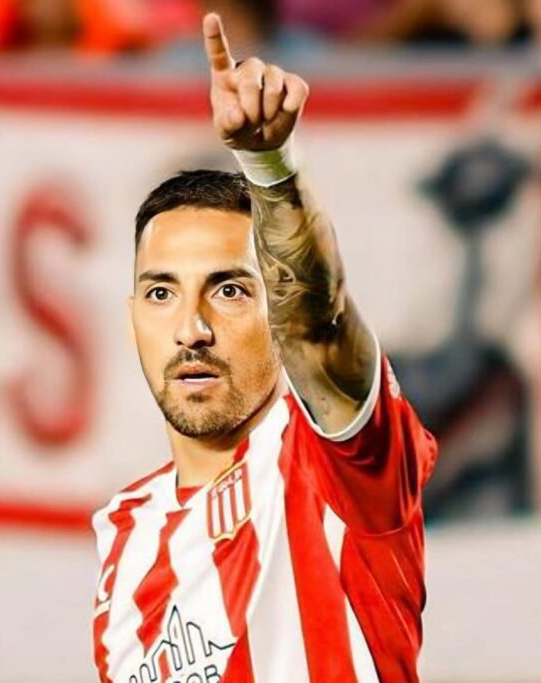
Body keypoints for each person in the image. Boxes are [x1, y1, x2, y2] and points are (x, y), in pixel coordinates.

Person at [92, 12, 438, 682]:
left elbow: (318, 321)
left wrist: (269, 165)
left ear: (271, 309)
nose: (191, 327)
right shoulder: (124, 534)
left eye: (227, 290)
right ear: (132, 318)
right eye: (162, 294)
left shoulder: (335, 468)